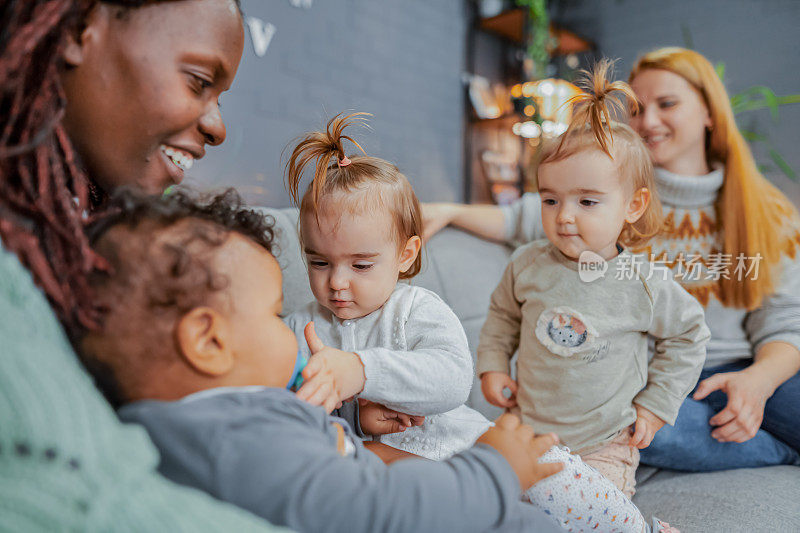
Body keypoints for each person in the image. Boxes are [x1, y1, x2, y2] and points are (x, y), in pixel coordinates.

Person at [76, 188, 566, 533]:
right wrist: (494, 471)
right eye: (274, 313)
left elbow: (338, 445)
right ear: (208, 342)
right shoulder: (238, 443)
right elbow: (374, 511)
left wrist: (361, 408)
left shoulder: (238, 416)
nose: (335, 283)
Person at [281, 112, 670, 533]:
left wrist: (360, 371)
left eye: (360, 264)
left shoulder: (415, 309)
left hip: (465, 447)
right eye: (318, 262)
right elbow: (289, 420)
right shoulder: (300, 329)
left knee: (553, 471)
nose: (336, 282)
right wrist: (356, 420)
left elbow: (452, 379)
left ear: (406, 255)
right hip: (393, 478)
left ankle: (637, 530)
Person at [424, 48, 800, 471]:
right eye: (638, 109)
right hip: (642, 375)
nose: (649, 121)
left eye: (667, 104)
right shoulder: (600, 186)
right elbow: (522, 216)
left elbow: (785, 320)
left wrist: (759, 381)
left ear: (710, 111)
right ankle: (781, 455)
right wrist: (450, 212)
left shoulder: (766, 210)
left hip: (746, 364)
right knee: (613, 423)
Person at [0, 0, 284, 529]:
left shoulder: (69, 241)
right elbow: (91, 500)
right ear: (82, 28)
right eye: (199, 80)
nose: (218, 126)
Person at [476, 61, 709, 501]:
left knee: (594, 513)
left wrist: (656, 405)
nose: (564, 216)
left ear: (632, 205)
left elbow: (689, 335)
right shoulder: (528, 263)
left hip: (605, 442)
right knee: (501, 502)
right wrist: (491, 364)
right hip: (528, 431)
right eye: (550, 199)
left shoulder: (642, 281)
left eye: (587, 201)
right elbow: (502, 316)